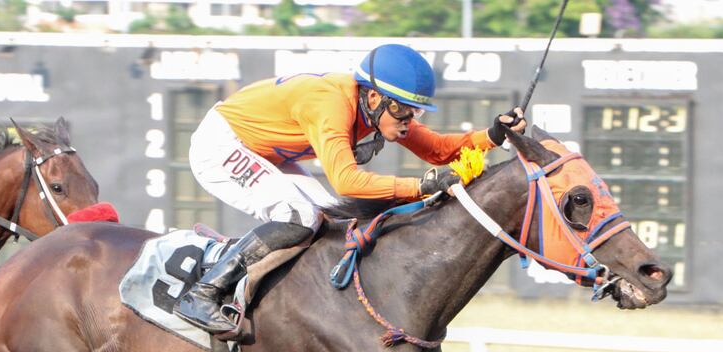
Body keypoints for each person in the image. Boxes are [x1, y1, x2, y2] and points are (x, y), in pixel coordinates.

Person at [174, 43, 527, 333]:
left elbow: (437, 150)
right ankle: (204, 293)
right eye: (404, 111)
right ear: (374, 98)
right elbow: (346, 181)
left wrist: (493, 135)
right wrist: (421, 186)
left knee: (332, 221)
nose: (409, 121)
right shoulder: (331, 104)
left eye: (415, 113)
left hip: (265, 150)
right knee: (299, 216)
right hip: (221, 144)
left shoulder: (379, 107)